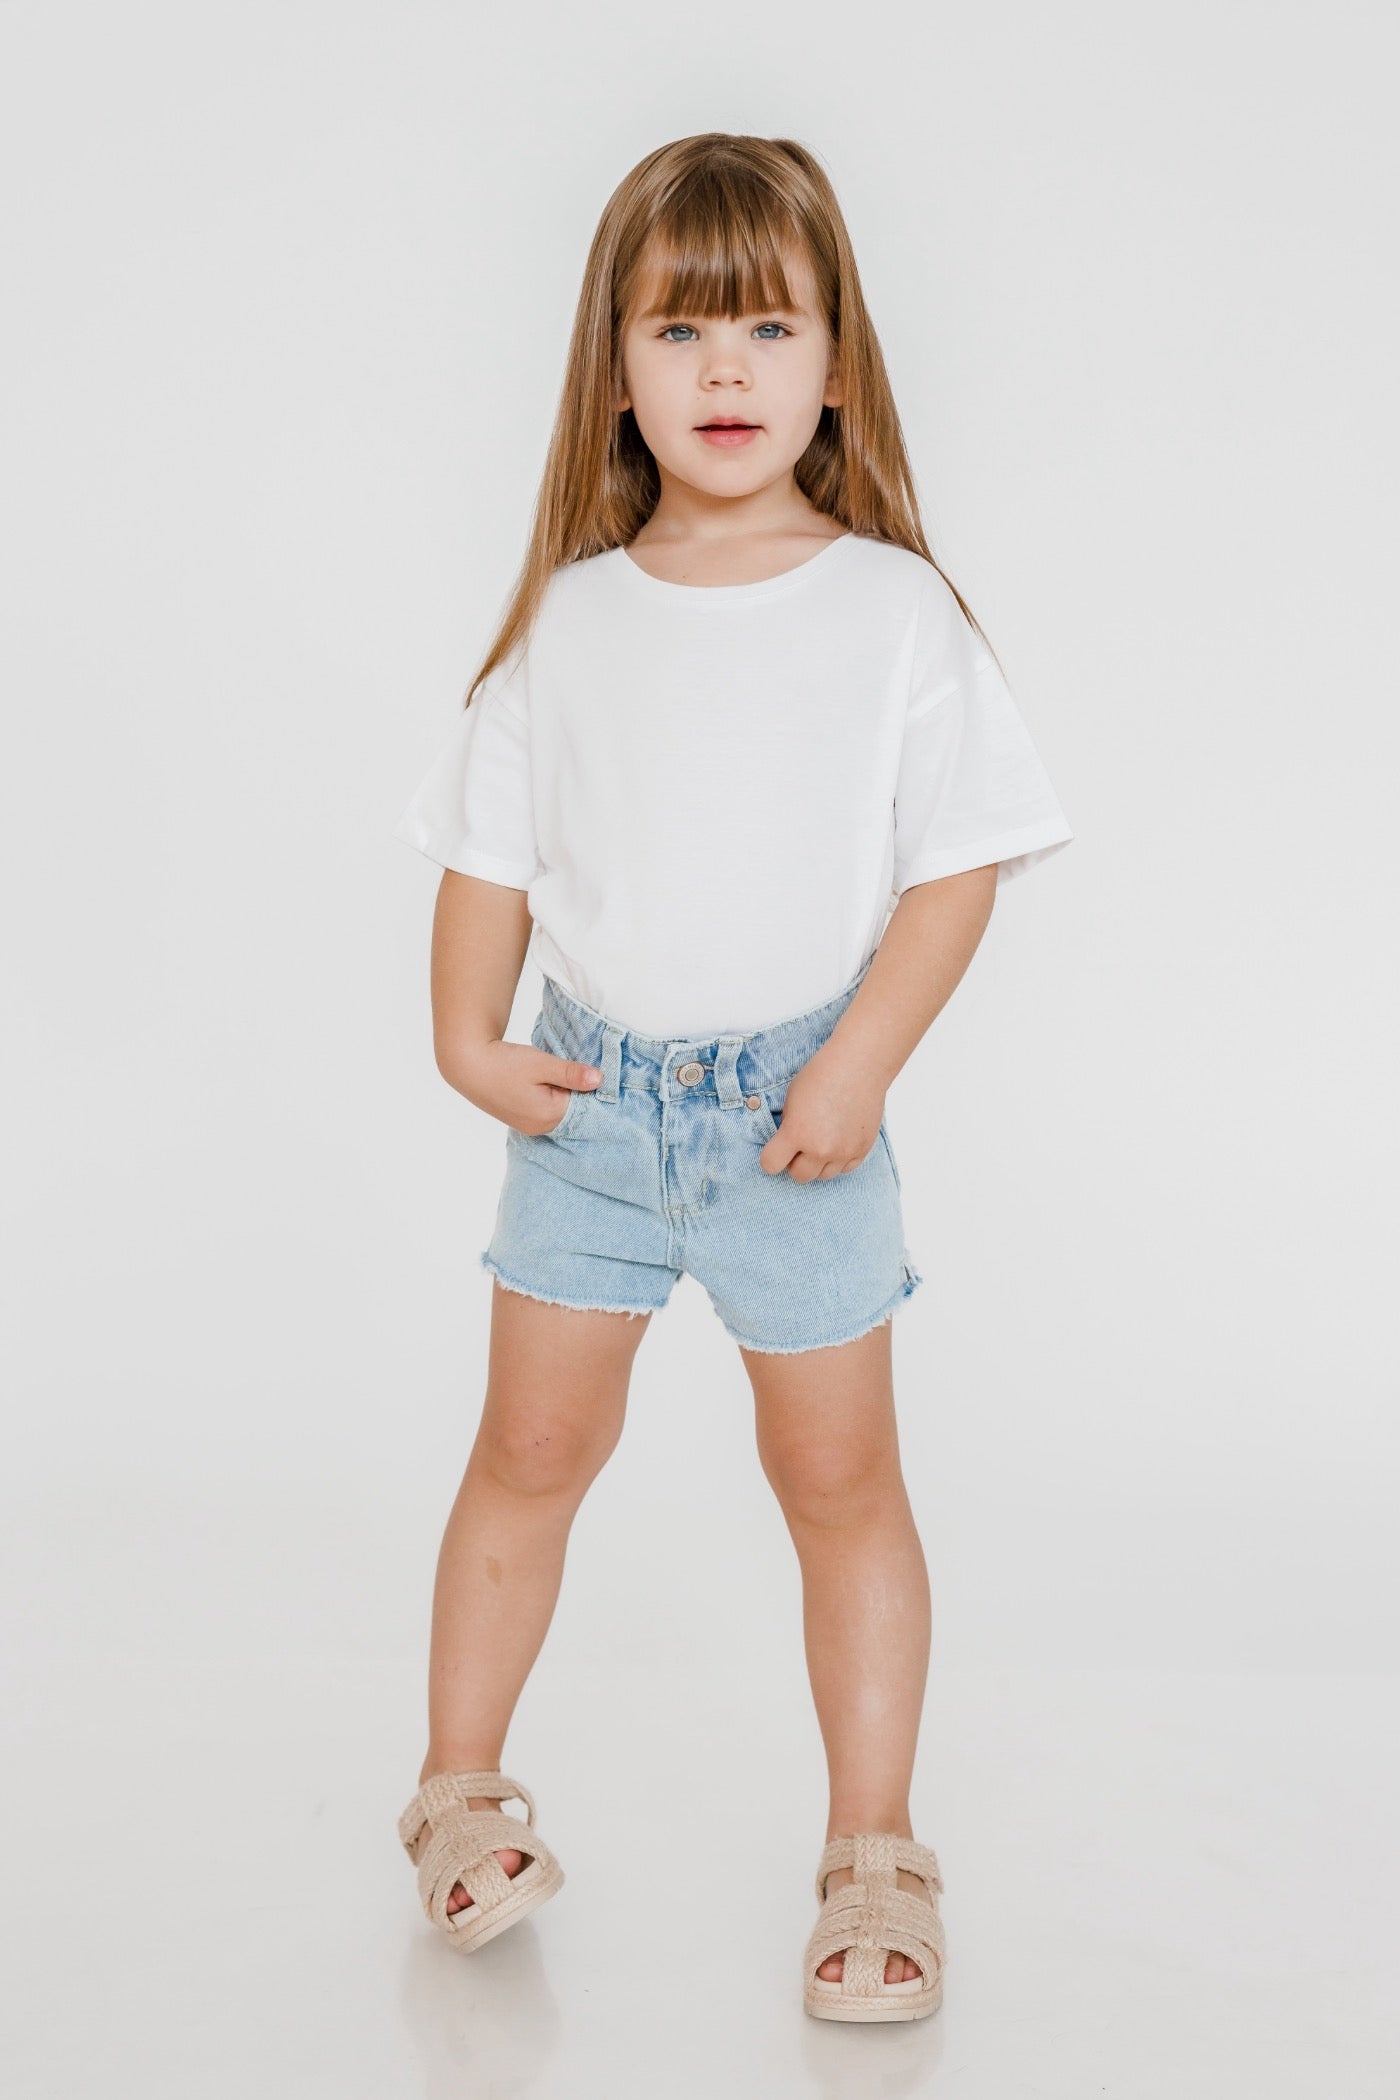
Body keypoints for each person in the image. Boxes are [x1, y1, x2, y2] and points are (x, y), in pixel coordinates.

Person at [391, 131, 1074, 2023]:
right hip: (591, 1117)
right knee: (531, 1453)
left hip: (801, 1126)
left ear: (836, 364)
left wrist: (857, 1065)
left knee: (838, 1477)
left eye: (769, 328)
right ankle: (457, 1789)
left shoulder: (893, 610)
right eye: (679, 329)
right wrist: (466, 1043)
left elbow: (957, 869)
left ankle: (877, 1846)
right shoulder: (571, 616)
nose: (723, 371)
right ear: (613, 365)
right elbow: (489, 860)